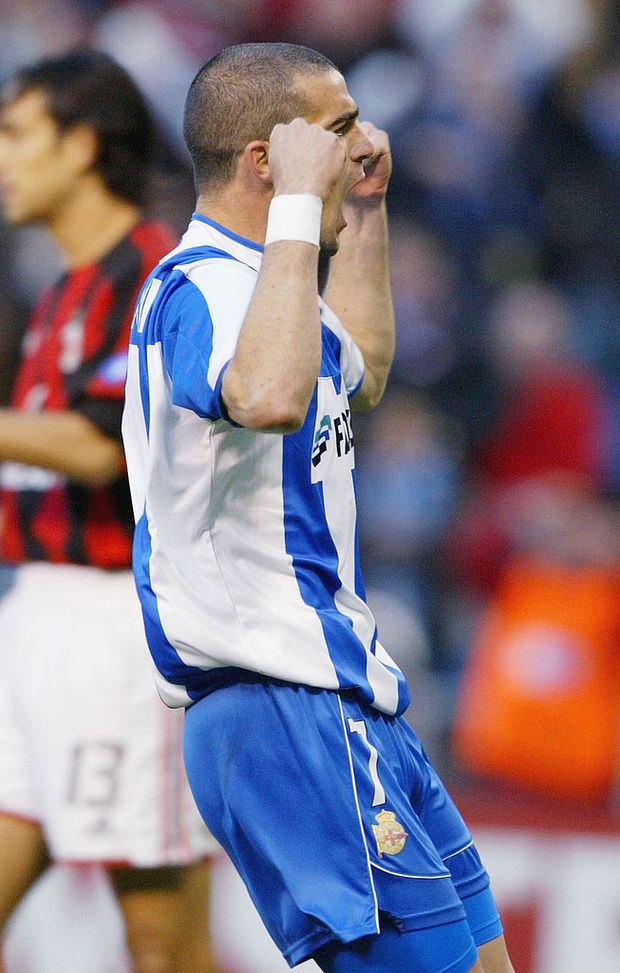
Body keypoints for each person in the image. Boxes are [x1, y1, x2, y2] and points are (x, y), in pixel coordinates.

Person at [122, 42, 516, 973]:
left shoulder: (278, 286)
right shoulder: (207, 286)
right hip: (279, 705)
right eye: (338, 130)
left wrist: (365, 211)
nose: (363, 140)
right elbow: (266, 394)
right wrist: (305, 208)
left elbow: (359, 371)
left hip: (351, 702)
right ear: (267, 160)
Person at [0, 50, 220, 973]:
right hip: (36, 619)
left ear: (83, 144)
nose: (2, 158)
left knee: (163, 948)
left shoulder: (155, 272)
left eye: (16, 134)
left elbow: (100, 445)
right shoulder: (61, 289)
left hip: (121, 628)